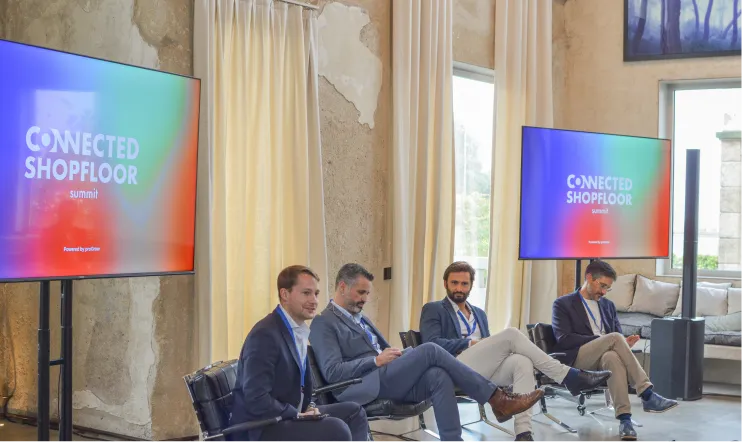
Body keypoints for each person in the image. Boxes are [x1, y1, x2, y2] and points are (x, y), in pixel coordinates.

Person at [309, 263, 546, 442]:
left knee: (437, 376)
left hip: (383, 376)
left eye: (367, 294)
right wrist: (376, 360)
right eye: (361, 293)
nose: (365, 299)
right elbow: (332, 372)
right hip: (362, 385)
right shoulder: (324, 322)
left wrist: (400, 355)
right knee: (431, 349)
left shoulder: (360, 317)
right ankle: (497, 399)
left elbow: (382, 352)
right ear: (342, 287)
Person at [419, 261, 613, 442]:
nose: (459, 288)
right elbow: (432, 344)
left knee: (522, 362)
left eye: (464, 284)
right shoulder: (434, 309)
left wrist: (485, 346)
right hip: (453, 367)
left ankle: (523, 433)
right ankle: (568, 376)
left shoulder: (479, 313)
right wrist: (470, 343)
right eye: (454, 283)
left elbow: (489, 350)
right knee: (511, 334)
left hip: (479, 370)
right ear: (445, 283)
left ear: (471, 286)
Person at [230, 265, 370, 442]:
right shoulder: (265, 335)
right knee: (337, 429)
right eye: (306, 293)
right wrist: (296, 414)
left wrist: (309, 406)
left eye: (316, 294)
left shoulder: (298, 330)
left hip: (291, 413)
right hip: (262, 427)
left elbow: (299, 387)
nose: (314, 300)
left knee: (354, 413)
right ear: (285, 294)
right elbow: (256, 399)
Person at [552, 259, 678, 440]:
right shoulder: (563, 304)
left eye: (607, 288)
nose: (604, 292)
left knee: (612, 357)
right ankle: (647, 393)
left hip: (605, 356)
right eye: (602, 286)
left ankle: (625, 420)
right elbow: (564, 339)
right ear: (589, 278)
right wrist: (604, 340)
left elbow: (616, 337)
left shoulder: (608, 306)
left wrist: (624, 344)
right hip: (578, 359)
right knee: (614, 339)